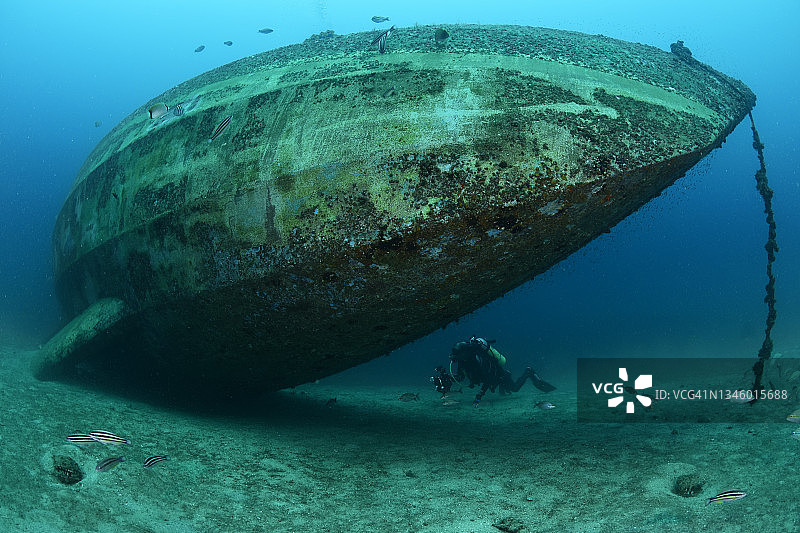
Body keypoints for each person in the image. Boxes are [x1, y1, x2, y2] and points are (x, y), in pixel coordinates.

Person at [448, 336, 555, 407]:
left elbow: (487, 379)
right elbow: (461, 377)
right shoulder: (463, 361)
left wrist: (479, 395)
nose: (457, 359)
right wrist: (451, 378)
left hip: (499, 376)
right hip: (493, 379)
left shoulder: (478, 360)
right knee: (502, 391)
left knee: (514, 388)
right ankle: (502, 387)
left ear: (464, 353)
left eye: (458, 356)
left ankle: (528, 371)